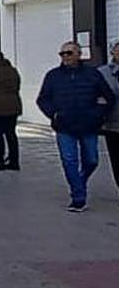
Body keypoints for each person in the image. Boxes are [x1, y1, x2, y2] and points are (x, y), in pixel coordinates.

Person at [36, 42, 115, 212]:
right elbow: (43, 99)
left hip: (89, 125)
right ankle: (78, 197)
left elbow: (109, 97)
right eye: (62, 53)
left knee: (92, 160)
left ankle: (79, 181)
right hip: (64, 126)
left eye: (69, 53)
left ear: (79, 54)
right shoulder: (53, 76)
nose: (65, 56)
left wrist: (98, 114)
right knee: (69, 160)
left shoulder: (93, 74)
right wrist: (54, 114)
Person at [98, 40, 119, 191]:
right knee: (117, 159)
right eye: (117, 49)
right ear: (112, 52)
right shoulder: (103, 72)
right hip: (112, 123)